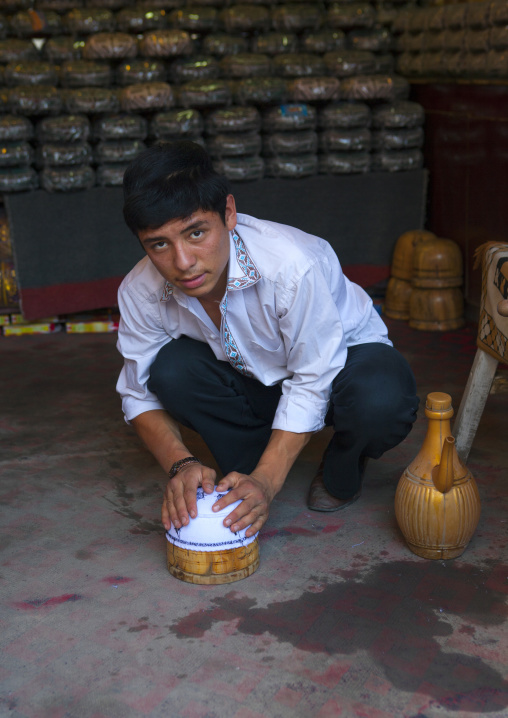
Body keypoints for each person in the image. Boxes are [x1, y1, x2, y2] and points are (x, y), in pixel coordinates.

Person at [116, 140, 419, 541]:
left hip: (343, 368)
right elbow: (139, 394)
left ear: (228, 213)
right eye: (159, 244)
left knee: (382, 399)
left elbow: (314, 377)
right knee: (171, 370)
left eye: (196, 233)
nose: (183, 261)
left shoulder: (293, 264)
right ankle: (249, 464)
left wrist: (269, 483)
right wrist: (181, 464)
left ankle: (342, 464)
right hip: (253, 375)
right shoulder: (140, 290)